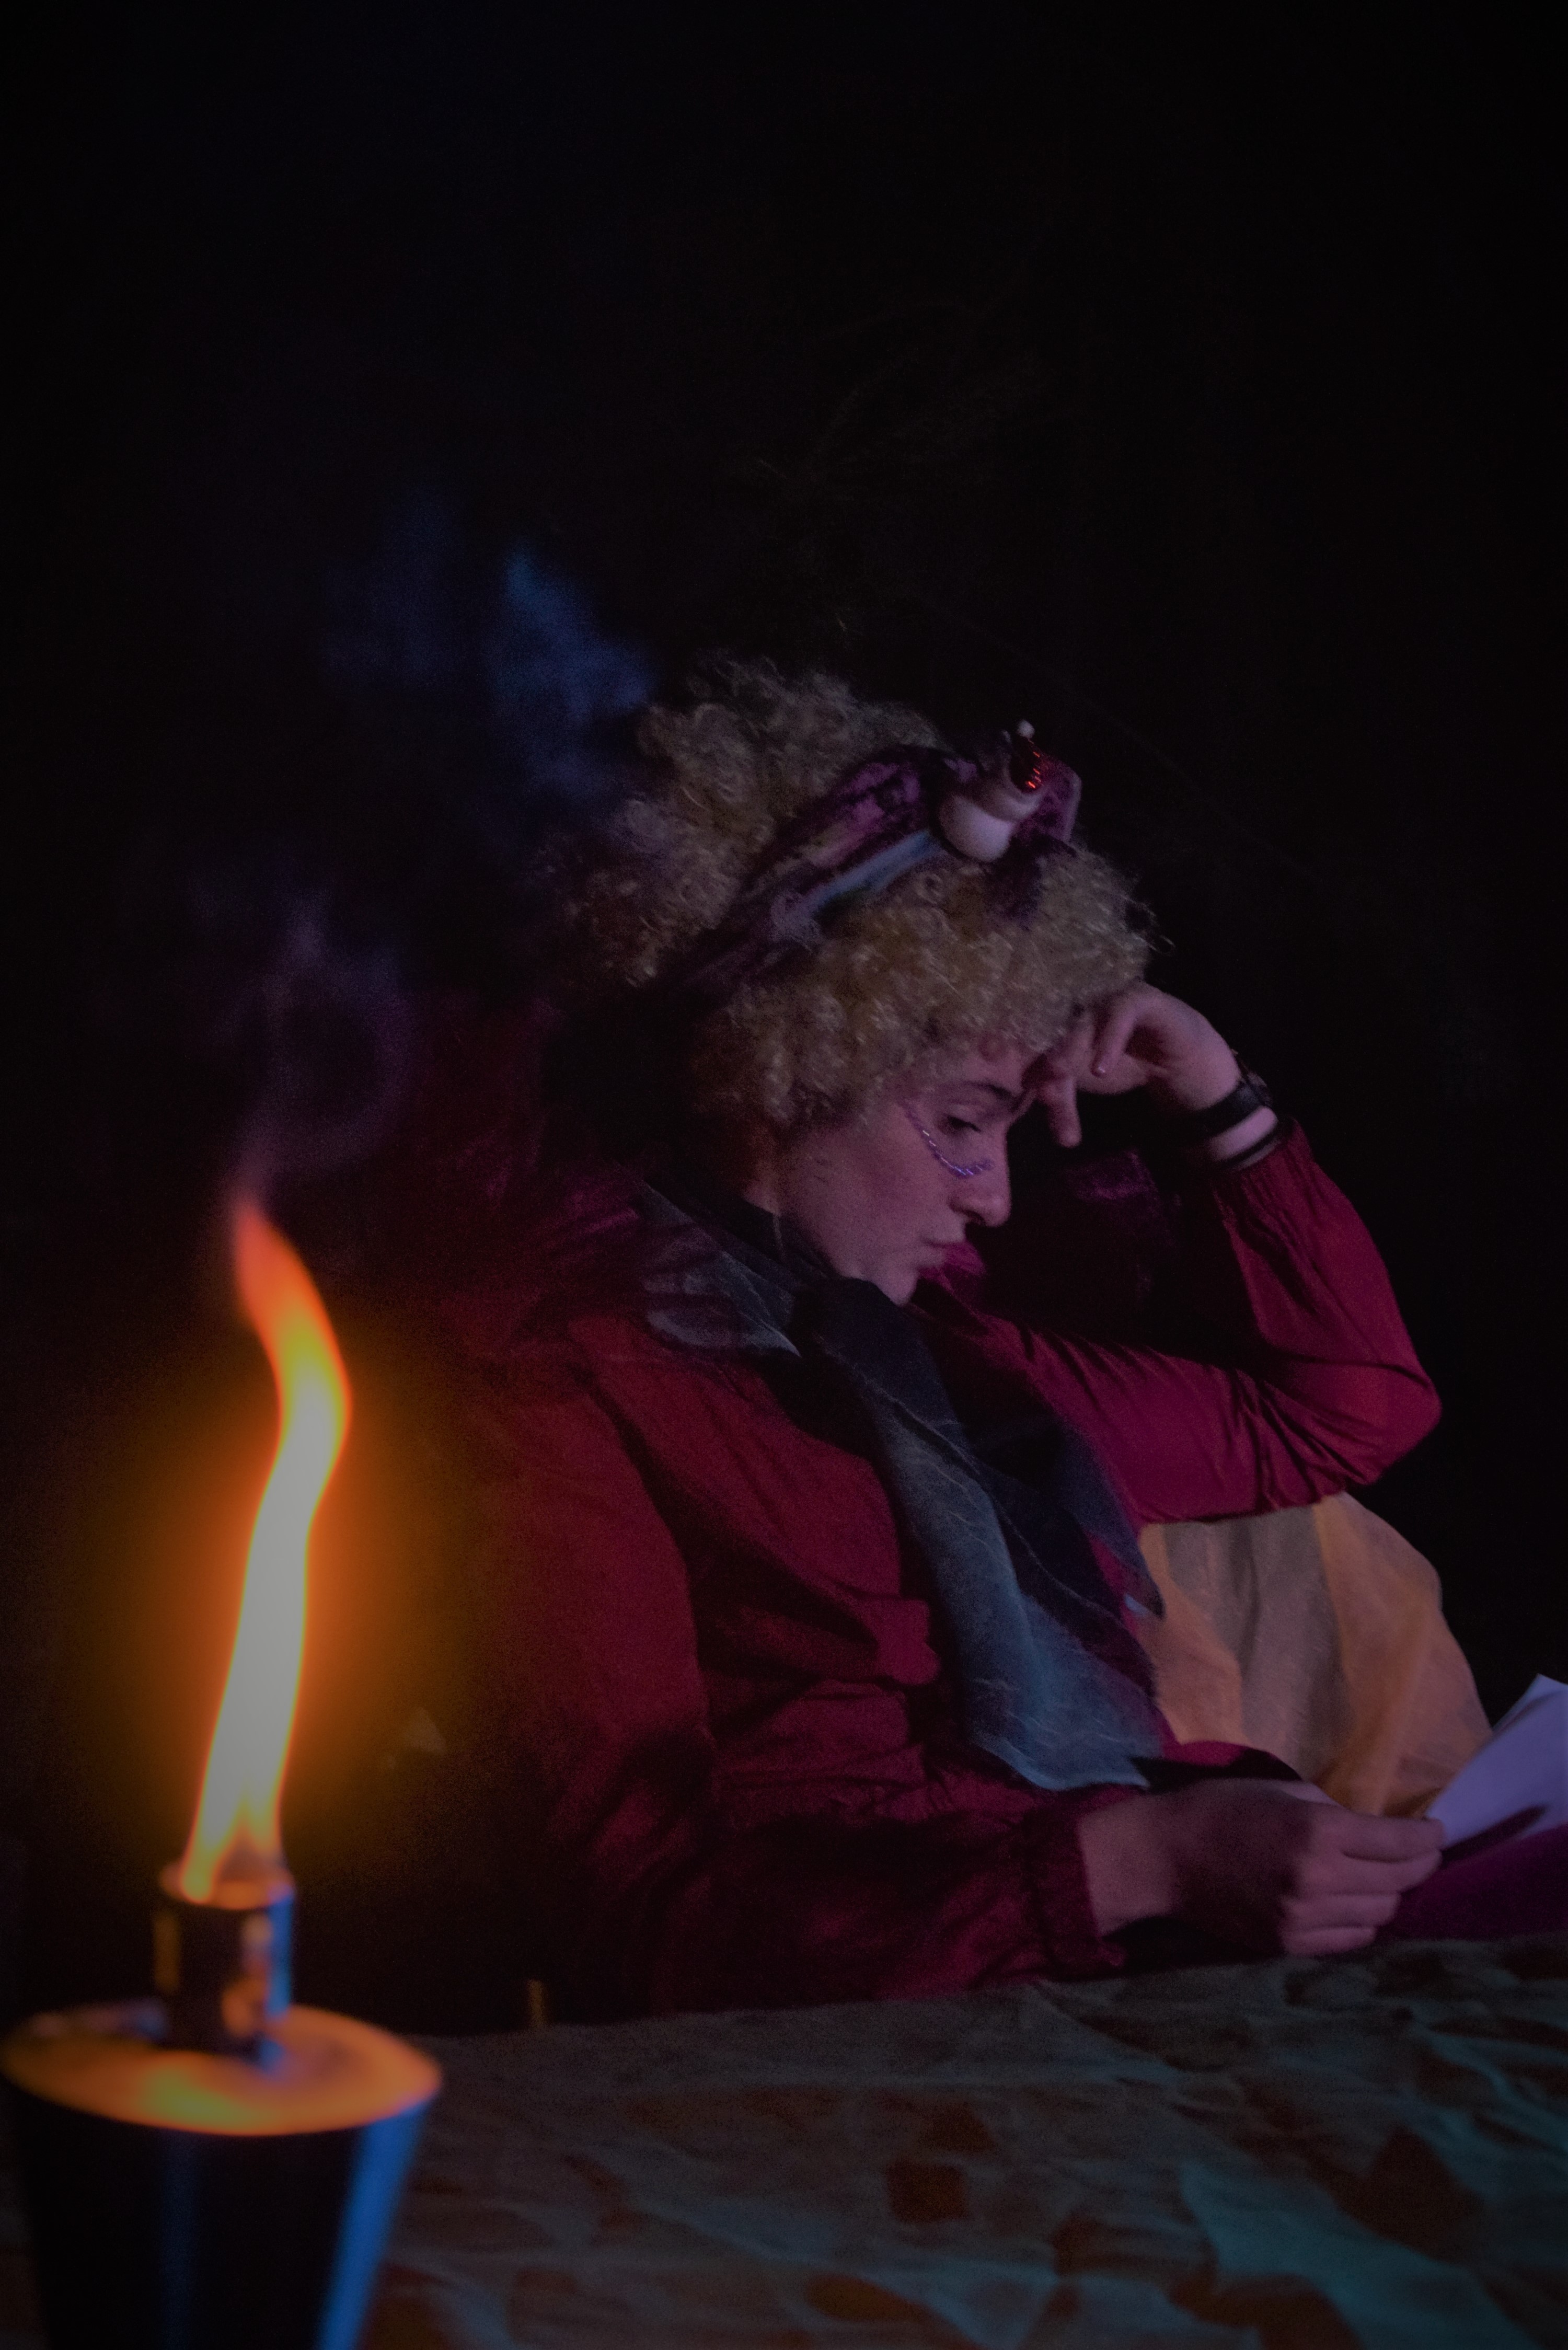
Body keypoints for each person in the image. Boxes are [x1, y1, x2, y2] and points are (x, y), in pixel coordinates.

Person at [386, 661, 1562, 2020]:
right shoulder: (566, 1382)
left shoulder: (962, 1363)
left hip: (1127, 1978)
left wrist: (1212, 1093)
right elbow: (646, 1923)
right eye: (960, 1121)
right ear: (782, 1068)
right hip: (891, 2035)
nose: (995, 1197)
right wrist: (1138, 1863)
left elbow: (1341, 1412)